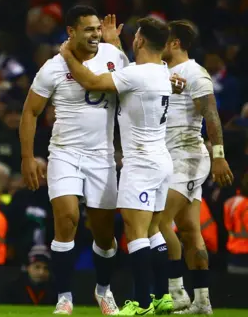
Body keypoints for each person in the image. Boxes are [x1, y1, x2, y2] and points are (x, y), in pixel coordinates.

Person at [59, 17, 173, 315]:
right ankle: (163, 296)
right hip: (161, 161)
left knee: (136, 233)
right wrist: (113, 42)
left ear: (139, 41)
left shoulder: (138, 74)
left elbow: (93, 81)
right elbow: (129, 73)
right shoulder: (162, 71)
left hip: (141, 162)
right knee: (154, 232)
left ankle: (142, 303)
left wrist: (67, 54)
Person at [19, 5, 129, 315]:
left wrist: (117, 46)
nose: (95, 34)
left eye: (98, 29)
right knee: (67, 219)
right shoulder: (53, 67)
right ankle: (64, 297)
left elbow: (132, 85)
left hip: (102, 157)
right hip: (64, 154)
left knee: (105, 234)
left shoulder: (113, 55)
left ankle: (103, 290)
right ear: (71, 32)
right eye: (89, 29)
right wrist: (27, 157)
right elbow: (30, 111)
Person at [159, 20, 233, 315]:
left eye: (163, 40)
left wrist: (219, 156)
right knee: (190, 230)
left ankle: (176, 292)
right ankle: (202, 301)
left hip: (188, 157)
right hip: (170, 157)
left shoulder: (195, 73)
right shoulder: (162, 72)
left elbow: (211, 115)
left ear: (175, 42)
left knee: (159, 222)